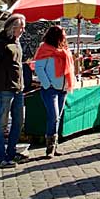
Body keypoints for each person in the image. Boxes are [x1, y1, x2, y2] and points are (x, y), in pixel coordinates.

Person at [0, 13, 27, 167]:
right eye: (21, 27)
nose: (23, 30)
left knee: (18, 121)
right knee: (1, 123)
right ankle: (1, 158)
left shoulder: (17, 43)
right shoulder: (0, 45)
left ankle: (11, 152)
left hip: (18, 88)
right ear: (13, 28)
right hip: (4, 89)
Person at [33, 25, 76, 157]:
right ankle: (49, 148)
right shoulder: (45, 49)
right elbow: (39, 68)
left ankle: (54, 146)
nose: (64, 37)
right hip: (50, 89)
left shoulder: (64, 51)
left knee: (57, 118)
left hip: (62, 89)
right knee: (53, 116)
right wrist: (47, 84)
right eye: (62, 35)